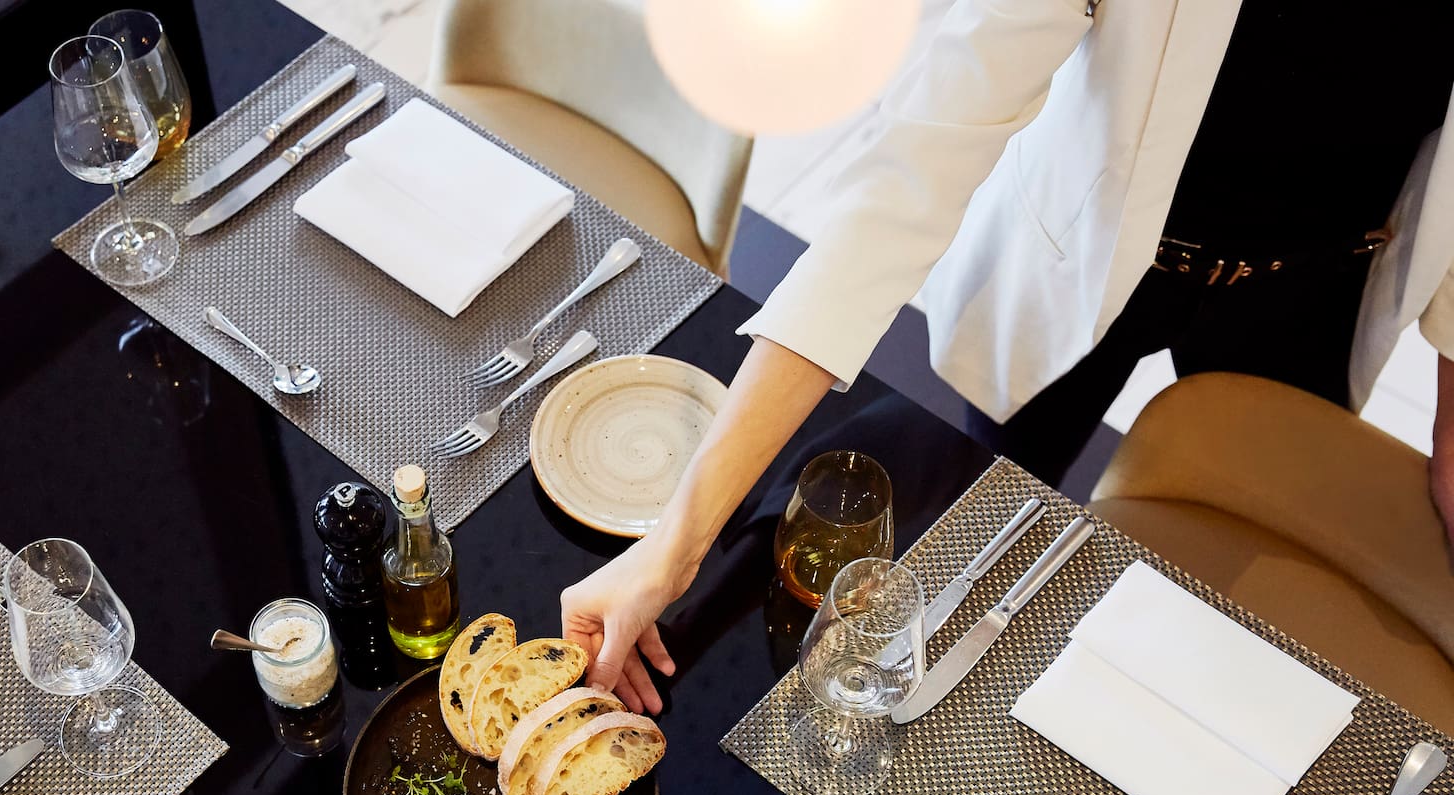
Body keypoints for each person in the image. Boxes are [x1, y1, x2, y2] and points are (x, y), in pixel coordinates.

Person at [564, 0, 1454, 715]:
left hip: (1316, 283)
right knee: (981, 489)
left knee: (1246, 622)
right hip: (1087, 248)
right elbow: (896, 194)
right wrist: (676, 547)